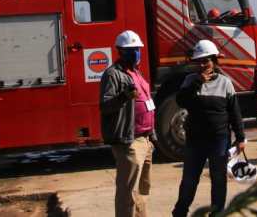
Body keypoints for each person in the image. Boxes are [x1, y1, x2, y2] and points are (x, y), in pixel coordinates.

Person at [172, 39, 246, 217]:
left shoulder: (225, 83)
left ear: (214, 61)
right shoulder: (189, 80)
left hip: (219, 140)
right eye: (199, 61)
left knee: (219, 179)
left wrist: (241, 137)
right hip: (195, 141)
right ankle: (180, 212)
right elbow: (181, 101)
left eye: (206, 60)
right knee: (189, 180)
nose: (202, 65)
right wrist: (197, 83)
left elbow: (234, 112)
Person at [100, 30, 157, 217]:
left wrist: (153, 136)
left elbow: (148, 102)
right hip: (130, 141)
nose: (136, 53)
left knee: (142, 191)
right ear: (120, 52)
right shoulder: (112, 74)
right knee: (128, 192)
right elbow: (105, 105)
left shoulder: (137, 72)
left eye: (138, 49)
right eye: (131, 50)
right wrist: (124, 96)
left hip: (145, 139)